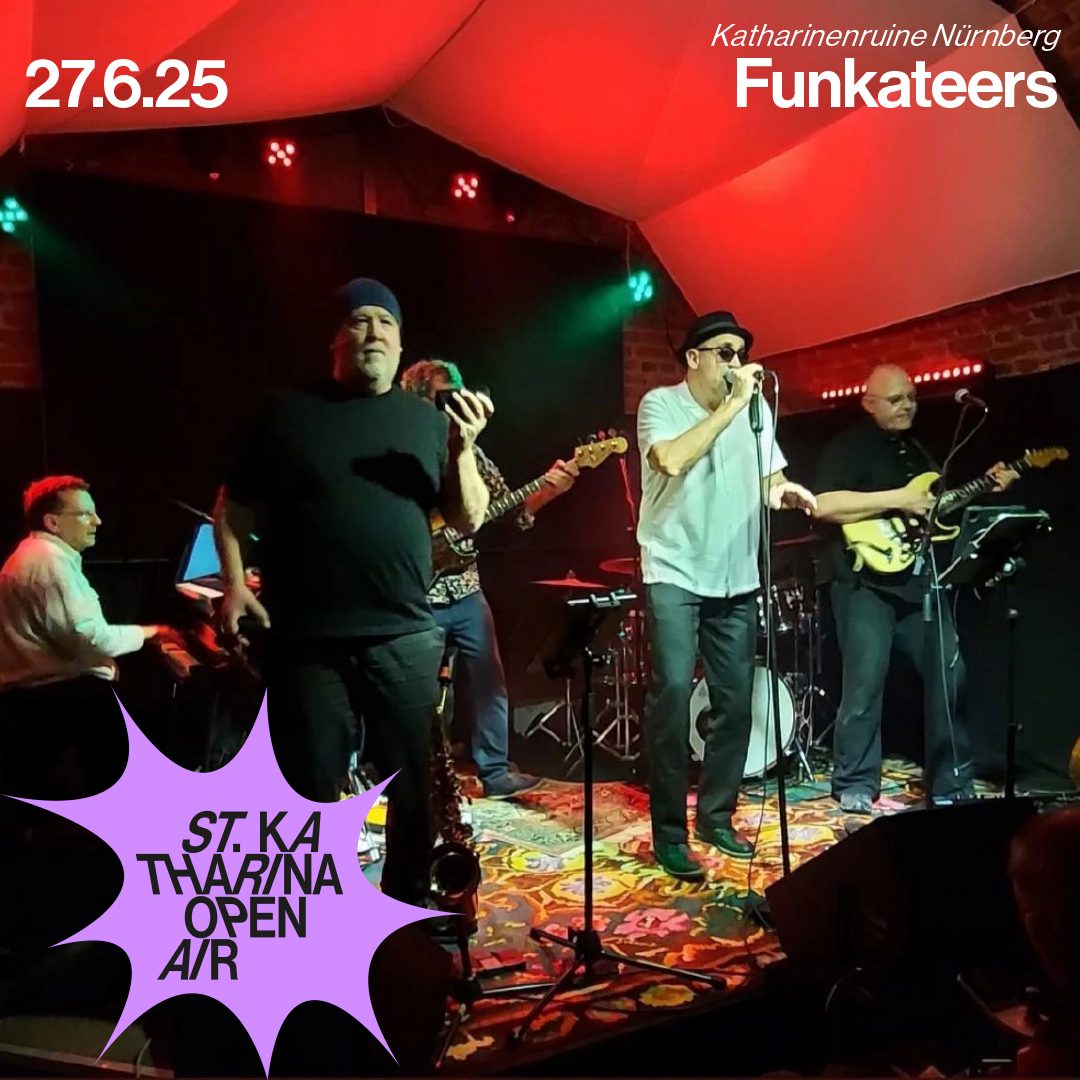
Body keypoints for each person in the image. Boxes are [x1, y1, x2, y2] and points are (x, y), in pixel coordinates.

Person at [213, 278, 492, 908]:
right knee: (308, 788)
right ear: (335, 337)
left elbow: (468, 517)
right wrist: (233, 584)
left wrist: (464, 449)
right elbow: (231, 506)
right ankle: (315, 911)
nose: (373, 333)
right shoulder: (283, 413)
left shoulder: (428, 422)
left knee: (412, 788)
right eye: (360, 321)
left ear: (401, 345)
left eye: (385, 323)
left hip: (404, 634)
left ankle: (405, 908)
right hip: (306, 640)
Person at [636, 311, 816, 880]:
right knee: (671, 694)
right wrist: (733, 406)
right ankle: (669, 833)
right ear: (694, 358)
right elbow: (670, 459)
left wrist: (785, 493)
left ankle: (716, 815)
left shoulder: (755, 410)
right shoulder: (661, 405)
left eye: (741, 353)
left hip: (736, 576)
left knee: (735, 701)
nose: (737, 363)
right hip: (674, 568)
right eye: (725, 353)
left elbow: (768, 479)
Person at [813, 364, 1017, 814]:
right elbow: (823, 504)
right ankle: (854, 782)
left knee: (949, 674)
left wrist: (985, 486)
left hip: (919, 580)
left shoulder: (920, 450)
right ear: (868, 403)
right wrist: (898, 499)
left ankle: (952, 782)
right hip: (863, 582)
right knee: (865, 683)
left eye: (911, 397)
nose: (907, 405)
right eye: (896, 399)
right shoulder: (849, 446)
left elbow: (934, 510)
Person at [400, 358, 579, 799]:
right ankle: (412, 775)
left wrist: (550, 489)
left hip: (465, 589)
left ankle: (495, 772)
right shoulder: (401, 451)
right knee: (414, 692)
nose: (454, 407)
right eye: (444, 398)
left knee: (490, 680)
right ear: (418, 401)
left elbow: (512, 510)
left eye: (458, 397)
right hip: (415, 595)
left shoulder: (473, 454)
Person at [0, 476, 163, 797]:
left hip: (35, 691)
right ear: (53, 522)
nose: (97, 521)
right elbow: (89, 637)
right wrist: (153, 632)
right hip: (43, 696)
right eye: (85, 514)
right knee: (152, 718)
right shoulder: (50, 564)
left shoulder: (35, 554)